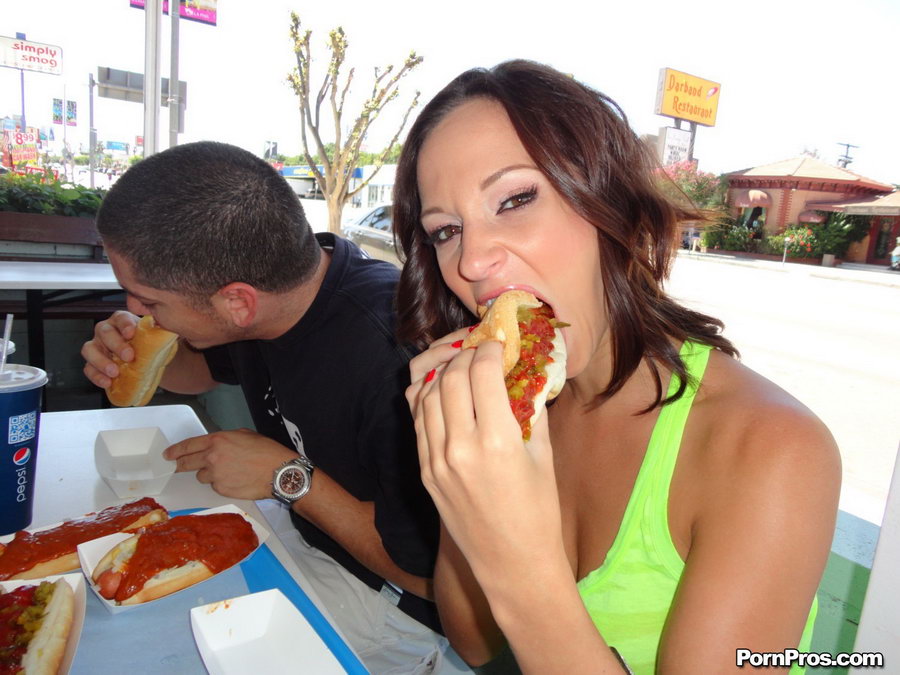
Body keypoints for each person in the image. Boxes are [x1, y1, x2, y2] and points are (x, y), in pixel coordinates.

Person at [392, 60, 841, 674]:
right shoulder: (515, 407)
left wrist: (522, 571)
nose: (471, 261)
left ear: (613, 208)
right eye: (445, 231)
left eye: (515, 200)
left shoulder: (774, 450)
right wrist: (459, 471)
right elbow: (474, 644)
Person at [81, 141, 465, 674]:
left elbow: (433, 577)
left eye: (147, 301)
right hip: (305, 534)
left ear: (238, 302)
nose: (133, 309)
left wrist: (287, 476)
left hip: (393, 603)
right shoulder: (273, 295)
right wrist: (136, 357)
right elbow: (198, 373)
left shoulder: (398, 358)